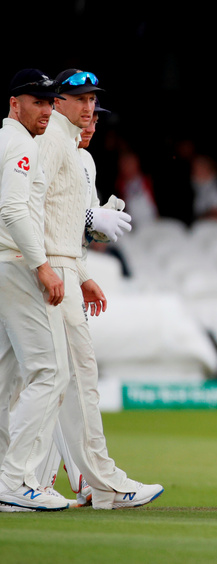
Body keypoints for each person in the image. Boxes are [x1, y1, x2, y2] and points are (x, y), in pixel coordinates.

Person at [30, 70, 162, 509]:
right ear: (58, 102)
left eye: (93, 103)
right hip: (47, 268)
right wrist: (87, 225)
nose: (89, 112)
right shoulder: (50, 142)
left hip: (59, 266)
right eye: (80, 100)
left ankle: (36, 482)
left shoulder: (78, 155)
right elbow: (29, 208)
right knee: (68, 377)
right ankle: (99, 483)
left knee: (52, 379)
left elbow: (63, 222)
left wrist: (83, 269)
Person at [0, 69, 72, 512]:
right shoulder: (21, 145)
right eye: (37, 102)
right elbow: (12, 210)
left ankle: (6, 480)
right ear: (15, 104)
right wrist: (43, 266)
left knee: (5, 377)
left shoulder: (5, 140)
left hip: (4, 264)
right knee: (50, 371)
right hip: (15, 263)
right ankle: (15, 479)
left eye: (49, 103)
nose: (46, 111)